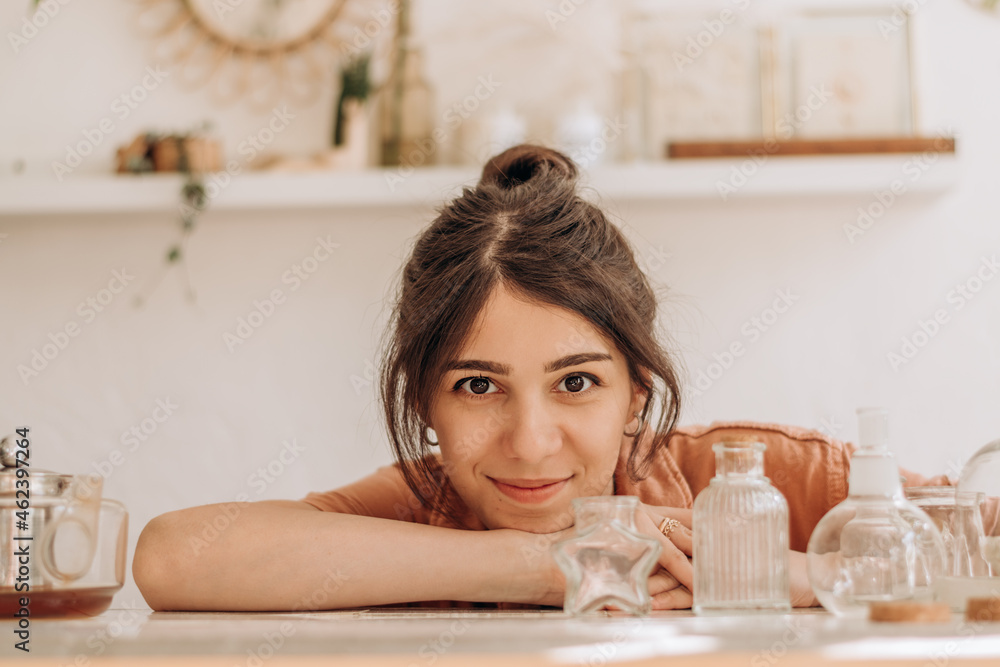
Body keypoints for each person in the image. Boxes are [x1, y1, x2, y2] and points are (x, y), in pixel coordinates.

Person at [132, 144, 958, 612]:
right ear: (426, 400)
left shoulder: (755, 479)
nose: (529, 443)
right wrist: (555, 563)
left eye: (575, 383)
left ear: (638, 389)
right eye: (479, 387)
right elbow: (174, 559)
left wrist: (811, 574)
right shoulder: (428, 502)